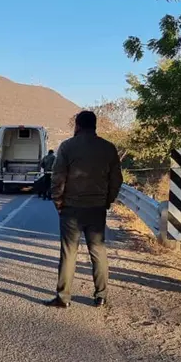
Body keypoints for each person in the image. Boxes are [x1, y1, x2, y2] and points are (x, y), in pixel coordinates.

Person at [45, 111, 122, 309]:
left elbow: (58, 178)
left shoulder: (67, 147)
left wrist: (58, 202)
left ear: (77, 126)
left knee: (69, 253)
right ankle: (101, 295)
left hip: (71, 208)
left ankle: (63, 297)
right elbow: (116, 180)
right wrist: (107, 201)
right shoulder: (108, 148)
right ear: (95, 126)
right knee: (98, 250)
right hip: (96, 208)